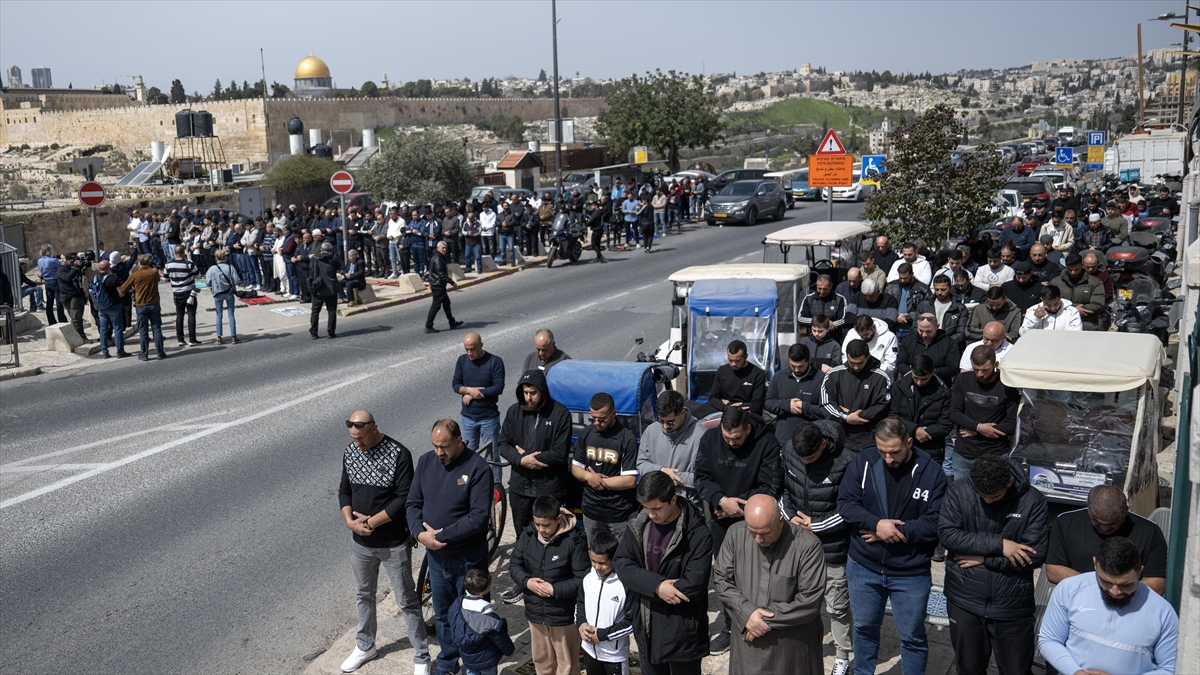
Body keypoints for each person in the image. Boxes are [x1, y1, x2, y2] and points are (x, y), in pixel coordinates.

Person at [836, 417, 947, 675]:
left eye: (894, 452)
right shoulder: (864, 461)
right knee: (864, 628)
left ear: (909, 442)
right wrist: (876, 524)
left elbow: (936, 522)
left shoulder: (932, 473)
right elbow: (846, 504)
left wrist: (894, 532)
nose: (888, 458)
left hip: (910, 572)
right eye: (882, 451)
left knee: (912, 636)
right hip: (863, 567)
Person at [337, 411, 431, 675]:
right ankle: (365, 646)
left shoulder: (398, 454)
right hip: (360, 544)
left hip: (392, 543)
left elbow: (404, 498)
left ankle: (421, 656)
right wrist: (349, 521)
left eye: (361, 438)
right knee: (363, 595)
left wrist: (371, 523)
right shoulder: (351, 452)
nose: (357, 443)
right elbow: (344, 489)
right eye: (353, 438)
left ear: (374, 428)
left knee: (407, 600)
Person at [938, 454, 1048, 675]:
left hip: (1012, 605)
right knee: (968, 668)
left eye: (995, 496)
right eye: (982, 496)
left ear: (1009, 482)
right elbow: (948, 536)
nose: (988, 501)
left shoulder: (1033, 500)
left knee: (1016, 671)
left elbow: (1034, 556)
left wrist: (984, 558)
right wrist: (1000, 545)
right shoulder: (959, 490)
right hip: (965, 599)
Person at [406, 420, 492, 675]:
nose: (438, 452)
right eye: (435, 446)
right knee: (443, 614)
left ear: (459, 441)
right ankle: (448, 662)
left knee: (473, 615)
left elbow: (478, 518)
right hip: (436, 558)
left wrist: (441, 536)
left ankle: (477, 665)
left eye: (443, 447)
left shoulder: (477, 468)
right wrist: (420, 534)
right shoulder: (426, 462)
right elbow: (413, 503)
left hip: (468, 558)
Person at [694, 406, 780, 655]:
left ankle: (761, 624)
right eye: (727, 437)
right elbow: (701, 477)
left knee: (759, 577)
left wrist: (737, 508)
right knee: (726, 576)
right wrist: (721, 501)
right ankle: (730, 627)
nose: (731, 443)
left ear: (748, 428)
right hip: (720, 519)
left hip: (755, 524)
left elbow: (770, 487)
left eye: (737, 438)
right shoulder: (710, 439)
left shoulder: (767, 443)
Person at [613, 471, 713, 675]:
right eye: (646, 507)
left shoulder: (698, 532)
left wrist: (643, 584)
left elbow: (694, 585)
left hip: (682, 632)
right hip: (646, 627)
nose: (651, 514)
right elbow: (622, 563)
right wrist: (657, 587)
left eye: (657, 508)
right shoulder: (637, 524)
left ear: (673, 499)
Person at [713, 494, 826, 674]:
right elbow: (721, 578)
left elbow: (809, 601)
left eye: (764, 533)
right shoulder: (736, 534)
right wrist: (747, 613)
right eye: (752, 532)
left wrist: (758, 621)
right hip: (748, 644)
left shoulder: (807, 546)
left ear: (780, 521)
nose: (758, 539)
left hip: (791, 647)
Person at [776, 420, 855, 673]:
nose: (805, 462)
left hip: (833, 548)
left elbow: (851, 509)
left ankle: (842, 657)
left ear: (823, 443)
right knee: (797, 600)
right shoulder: (788, 451)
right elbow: (781, 490)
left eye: (810, 458)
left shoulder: (847, 461)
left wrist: (817, 525)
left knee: (837, 607)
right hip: (797, 543)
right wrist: (790, 517)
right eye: (802, 458)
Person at [1038, 536, 1178, 675]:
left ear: (1140, 571)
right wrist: (1075, 672)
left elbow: (1171, 668)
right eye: (1106, 582)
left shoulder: (1162, 612)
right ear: (1095, 564)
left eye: (1126, 585)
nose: (1114, 591)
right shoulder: (1069, 590)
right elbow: (1049, 639)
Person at [498, 369, 573, 597]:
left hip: (548, 488)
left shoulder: (560, 414)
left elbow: (559, 453)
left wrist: (531, 458)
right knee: (523, 537)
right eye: (525, 393)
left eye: (533, 393)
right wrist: (521, 459)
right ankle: (523, 581)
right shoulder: (514, 412)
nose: (529, 398)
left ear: (542, 391)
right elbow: (503, 443)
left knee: (550, 537)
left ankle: (551, 580)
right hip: (520, 487)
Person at [510, 496, 589, 675]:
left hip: (563, 616)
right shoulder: (527, 535)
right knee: (541, 661)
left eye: (546, 525)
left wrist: (555, 590)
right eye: (537, 524)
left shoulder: (574, 541)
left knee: (567, 664)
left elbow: (582, 579)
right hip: (535, 612)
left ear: (558, 519)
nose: (541, 529)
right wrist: (527, 582)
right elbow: (514, 565)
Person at [1045, 484, 1169, 595]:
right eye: (1096, 521)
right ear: (1087, 503)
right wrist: (1098, 585)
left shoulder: (1149, 532)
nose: (1104, 528)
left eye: (1112, 523)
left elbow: (1157, 584)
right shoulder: (1065, 523)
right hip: (1078, 598)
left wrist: (1120, 593)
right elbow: (1053, 571)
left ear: (1126, 510)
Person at [572, 393, 640, 543]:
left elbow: (630, 480)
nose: (597, 423)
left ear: (613, 414)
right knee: (594, 553)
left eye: (602, 419)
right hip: (591, 511)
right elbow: (576, 468)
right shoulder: (587, 433)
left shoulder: (626, 438)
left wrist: (599, 482)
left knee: (621, 554)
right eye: (593, 418)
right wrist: (589, 477)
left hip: (618, 514)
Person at [950, 346, 1019, 478]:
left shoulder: (1007, 386)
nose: (980, 374)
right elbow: (954, 413)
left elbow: (1012, 425)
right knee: (961, 490)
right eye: (975, 369)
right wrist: (979, 427)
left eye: (985, 370)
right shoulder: (962, 380)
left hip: (995, 454)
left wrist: (977, 431)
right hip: (965, 454)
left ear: (995, 364)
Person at [575, 530, 633, 675]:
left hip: (614, 656)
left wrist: (601, 635)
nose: (597, 567)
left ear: (614, 559)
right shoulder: (587, 577)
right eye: (593, 561)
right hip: (589, 650)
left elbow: (631, 622)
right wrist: (581, 624)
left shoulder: (626, 584)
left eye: (602, 563)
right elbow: (580, 604)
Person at [821, 339, 892, 451]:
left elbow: (884, 405)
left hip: (869, 438)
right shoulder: (833, 374)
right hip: (840, 437)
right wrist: (846, 417)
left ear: (868, 356)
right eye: (852, 363)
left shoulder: (880, 377)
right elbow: (826, 403)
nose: (856, 367)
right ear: (847, 356)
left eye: (860, 363)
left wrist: (856, 416)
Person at [454, 332, 506, 480]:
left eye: (472, 349)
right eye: (466, 349)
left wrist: (474, 394)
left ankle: (496, 487)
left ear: (481, 345)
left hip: (488, 419)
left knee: (493, 455)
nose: (469, 353)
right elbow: (456, 385)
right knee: (467, 455)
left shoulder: (495, 361)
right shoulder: (462, 361)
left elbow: (498, 388)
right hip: (468, 419)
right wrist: (468, 390)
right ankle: (469, 485)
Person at [637, 390, 704, 497]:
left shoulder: (701, 435)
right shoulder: (651, 431)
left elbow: (704, 478)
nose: (665, 426)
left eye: (670, 422)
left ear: (683, 413)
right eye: (661, 421)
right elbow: (641, 464)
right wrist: (662, 471)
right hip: (656, 500)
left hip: (686, 503)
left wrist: (672, 476)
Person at [890, 355, 952, 469]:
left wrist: (923, 433)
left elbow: (945, 425)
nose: (919, 382)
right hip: (903, 446)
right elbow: (893, 416)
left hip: (932, 449)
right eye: (916, 378)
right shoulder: (898, 387)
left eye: (924, 379)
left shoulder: (944, 393)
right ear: (911, 369)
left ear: (933, 372)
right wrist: (914, 430)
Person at [449, 568, 515, 675]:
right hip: (486, 658)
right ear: (481, 593)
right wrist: (509, 650)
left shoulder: (458, 603)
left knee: (471, 672)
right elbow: (498, 635)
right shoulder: (485, 609)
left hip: (468, 657)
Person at [764, 343, 827, 447]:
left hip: (810, 442)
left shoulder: (821, 379)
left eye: (800, 366)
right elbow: (768, 403)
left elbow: (826, 411)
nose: (796, 370)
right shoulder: (779, 377)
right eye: (793, 366)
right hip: (783, 441)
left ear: (809, 360)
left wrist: (804, 408)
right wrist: (787, 405)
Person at [118, 254, 166, 361]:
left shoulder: (135, 275)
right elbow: (158, 280)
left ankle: (144, 354)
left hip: (141, 304)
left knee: (143, 330)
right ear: (149, 262)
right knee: (156, 328)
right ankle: (160, 352)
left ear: (139, 263)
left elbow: (123, 288)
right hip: (154, 303)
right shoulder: (154, 272)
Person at [705, 339, 767, 415]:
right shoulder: (722, 371)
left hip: (748, 416)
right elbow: (713, 398)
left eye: (737, 361)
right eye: (730, 360)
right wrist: (727, 408)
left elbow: (756, 405)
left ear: (746, 356)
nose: (733, 364)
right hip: (725, 414)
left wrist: (731, 405)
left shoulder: (757, 374)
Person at [896, 314, 960, 383]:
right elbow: (901, 363)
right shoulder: (908, 341)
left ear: (937, 326)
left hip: (938, 384)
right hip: (912, 382)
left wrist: (929, 373)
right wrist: (916, 374)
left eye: (928, 331)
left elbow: (952, 368)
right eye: (921, 330)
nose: (924, 335)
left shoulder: (949, 343)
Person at [1051, 252, 1105, 331]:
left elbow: (1098, 305)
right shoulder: (1055, 282)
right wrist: (1074, 310)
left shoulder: (1095, 282)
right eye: (1070, 269)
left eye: (1076, 269)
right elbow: (1049, 302)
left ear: (1082, 265)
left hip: (1086, 324)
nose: (1073, 272)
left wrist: (1070, 309)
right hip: (1062, 324)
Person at [884, 262, 933, 339]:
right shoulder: (890, 287)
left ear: (912, 274)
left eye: (905, 278)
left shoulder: (923, 289)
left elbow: (927, 311)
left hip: (913, 328)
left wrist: (908, 317)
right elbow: (883, 307)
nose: (902, 280)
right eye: (900, 278)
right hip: (892, 328)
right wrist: (895, 317)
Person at [91, 260, 129, 359]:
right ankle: (120, 351)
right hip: (114, 306)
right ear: (108, 268)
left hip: (101, 307)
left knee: (103, 330)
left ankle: (105, 352)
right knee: (117, 329)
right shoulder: (113, 278)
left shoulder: (94, 278)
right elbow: (121, 294)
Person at [842, 314, 898, 380]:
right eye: (860, 335)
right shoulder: (851, 334)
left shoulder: (889, 337)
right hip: (855, 377)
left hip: (879, 378)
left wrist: (874, 365)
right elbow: (845, 356)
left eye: (866, 334)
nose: (863, 337)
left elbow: (891, 366)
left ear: (873, 327)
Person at [425, 241, 462, 333]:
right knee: (436, 306)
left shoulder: (438, 257)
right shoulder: (438, 259)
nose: (444, 250)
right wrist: (452, 282)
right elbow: (441, 274)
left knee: (446, 303)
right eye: (443, 248)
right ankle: (428, 326)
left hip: (438, 285)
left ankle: (452, 322)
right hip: (438, 286)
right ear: (438, 248)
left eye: (445, 248)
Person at [205, 249, 241, 345]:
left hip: (217, 293)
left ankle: (219, 337)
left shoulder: (212, 268)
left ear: (216, 258)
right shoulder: (230, 267)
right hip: (229, 292)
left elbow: (208, 282)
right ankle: (234, 336)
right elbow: (237, 280)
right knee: (231, 314)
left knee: (219, 314)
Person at [308, 241, 341, 339]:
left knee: (315, 311)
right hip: (331, 288)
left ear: (321, 249)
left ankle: (314, 332)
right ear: (331, 250)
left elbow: (310, 270)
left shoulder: (315, 259)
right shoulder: (334, 259)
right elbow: (338, 268)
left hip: (318, 288)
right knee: (331, 311)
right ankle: (331, 332)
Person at [931, 275, 970, 351]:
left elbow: (961, 333)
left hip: (950, 348)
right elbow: (916, 328)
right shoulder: (925, 305)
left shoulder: (960, 308)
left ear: (951, 288)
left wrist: (945, 343)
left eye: (943, 289)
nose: (939, 292)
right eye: (937, 289)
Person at [56, 253, 88, 340]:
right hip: (69, 296)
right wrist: (75, 269)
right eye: (73, 260)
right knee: (76, 318)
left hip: (79, 295)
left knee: (78, 318)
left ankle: (77, 337)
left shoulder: (76, 269)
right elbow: (67, 278)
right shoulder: (61, 269)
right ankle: (81, 338)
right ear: (68, 261)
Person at [38, 244, 68, 326]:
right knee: (59, 301)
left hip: (47, 282)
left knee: (49, 302)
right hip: (55, 281)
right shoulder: (52, 260)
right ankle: (62, 319)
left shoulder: (39, 261)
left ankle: (51, 321)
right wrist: (63, 259)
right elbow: (63, 266)